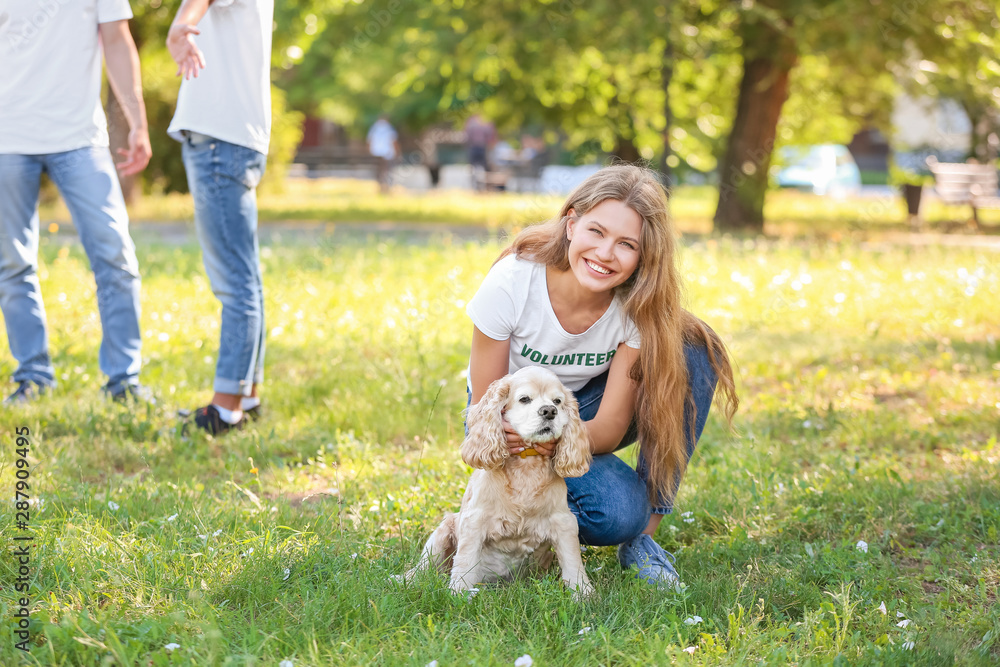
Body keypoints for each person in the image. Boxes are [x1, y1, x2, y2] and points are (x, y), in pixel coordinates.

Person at [465, 164, 738, 587]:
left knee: (695, 349)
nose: (606, 254)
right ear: (571, 224)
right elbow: (483, 407)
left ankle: (644, 542)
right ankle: (501, 508)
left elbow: (609, 427)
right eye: (596, 231)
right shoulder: (513, 283)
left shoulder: (634, 306)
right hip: (510, 415)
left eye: (626, 244)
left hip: (580, 411)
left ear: (644, 255)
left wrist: (562, 436)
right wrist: (515, 433)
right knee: (611, 511)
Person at [0, 0, 151, 404]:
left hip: (81, 139)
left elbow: (118, 42)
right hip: (7, 137)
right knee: (12, 262)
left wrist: (138, 122)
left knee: (116, 256)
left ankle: (124, 382)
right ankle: (33, 376)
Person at [166, 0, 273, 435]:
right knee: (245, 276)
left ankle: (225, 408)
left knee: (235, 282)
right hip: (229, 140)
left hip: (219, 142)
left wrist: (182, 23)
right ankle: (246, 396)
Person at [366, 115, 400, 194]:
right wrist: (397, 152)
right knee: (387, 171)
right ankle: (386, 188)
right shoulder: (389, 128)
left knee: (379, 171)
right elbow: (393, 141)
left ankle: (381, 187)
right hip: (387, 153)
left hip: (376, 153)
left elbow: (369, 141)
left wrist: (370, 151)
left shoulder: (374, 128)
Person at [464, 113, 496, 189]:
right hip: (481, 147)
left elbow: (467, 136)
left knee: (474, 167)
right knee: (483, 167)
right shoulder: (484, 125)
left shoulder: (470, 124)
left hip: (475, 147)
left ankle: (475, 185)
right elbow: (490, 135)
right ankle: (484, 186)